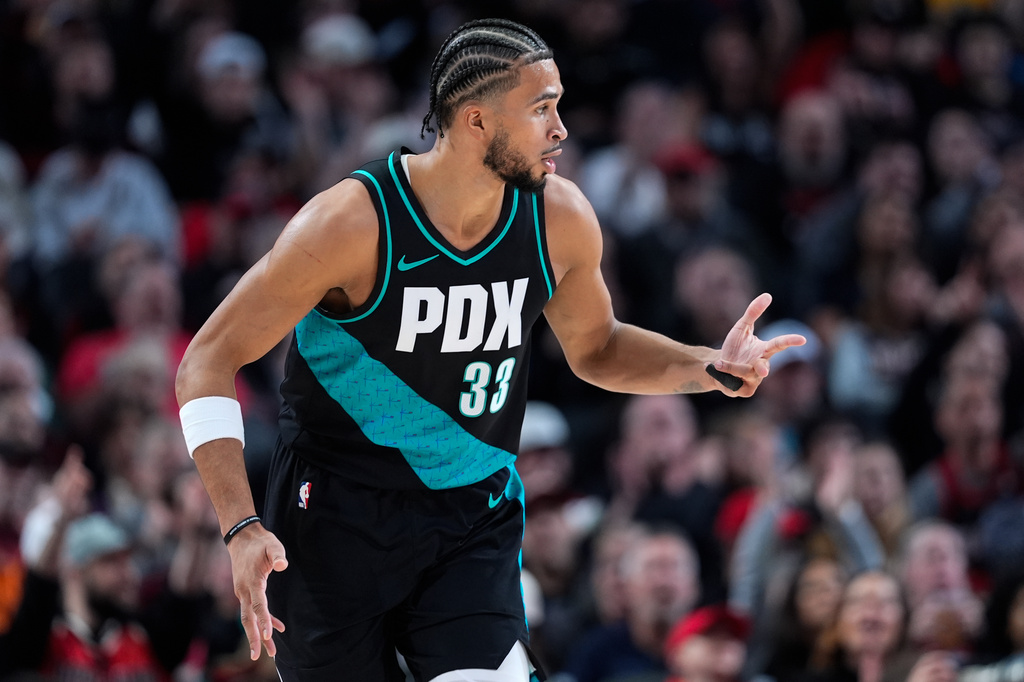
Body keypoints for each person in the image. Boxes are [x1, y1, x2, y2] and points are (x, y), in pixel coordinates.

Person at [174, 18, 805, 682]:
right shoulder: (351, 224)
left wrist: (707, 367)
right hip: (335, 518)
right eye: (541, 109)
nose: (561, 128)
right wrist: (241, 529)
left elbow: (596, 348)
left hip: (470, 515)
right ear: (476, 122)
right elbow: (206, 361)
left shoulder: (558, 216)